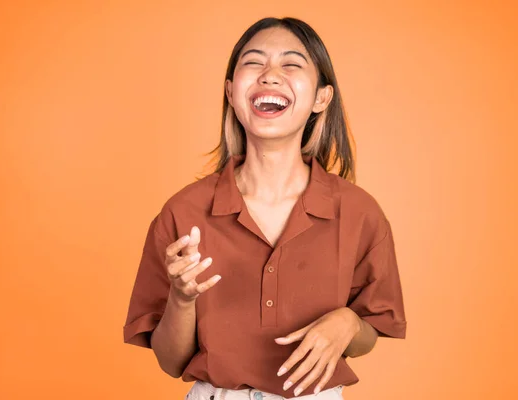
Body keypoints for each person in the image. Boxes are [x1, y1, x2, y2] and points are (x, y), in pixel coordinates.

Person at [123, 17, 407, 400]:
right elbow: (171, 362)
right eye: (253, 63)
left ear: (322, 98)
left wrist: (349, 322)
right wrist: (182, 298)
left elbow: (368, 335)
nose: (270, 75)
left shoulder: (359, 213)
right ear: (231, 91)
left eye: (291, 64)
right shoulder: (182, 212)